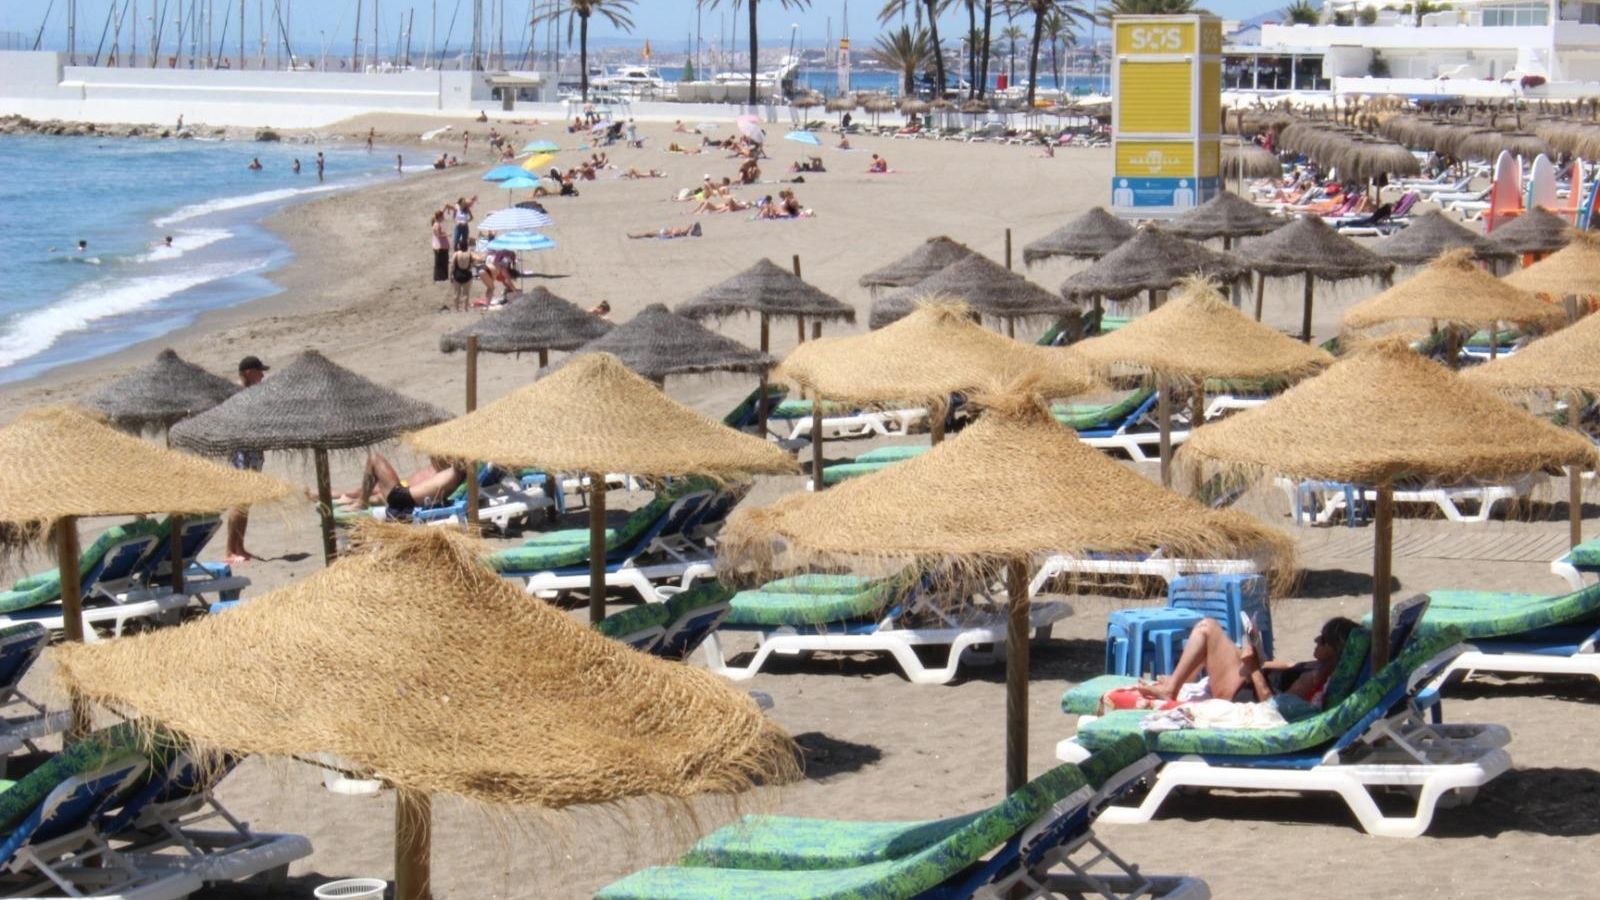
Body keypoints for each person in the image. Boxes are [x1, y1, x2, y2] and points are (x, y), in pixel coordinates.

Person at [1124, 617, 1360, 708]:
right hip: (1249, 680)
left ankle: (1170, 688)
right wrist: (1258, 657)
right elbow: (1288, 666)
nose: (1316, 640)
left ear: (1336, 648)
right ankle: (1178, 681)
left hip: (1243, 693)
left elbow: (1274, 708)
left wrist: (1255, 671)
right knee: (1224, 645)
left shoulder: (1314, 678)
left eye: (1324, 639)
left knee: (1207, 629)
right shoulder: (1320, 668)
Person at [224, 356, 269, 563]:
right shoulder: (235, 393)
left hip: (254, 450)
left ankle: (240, 547)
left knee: (247, 501)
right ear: (249, 373)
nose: (262, 376)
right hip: (241, 451)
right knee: (239, 500)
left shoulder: (252, 392)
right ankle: (229, 550)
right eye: (259, 372)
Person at [336, 454, 466, 513]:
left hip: (402, 498)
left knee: (375, 459)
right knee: (374, 494)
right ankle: (356, 500)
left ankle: (361, 503)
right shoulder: (454, 474)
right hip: (406, 497)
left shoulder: (454, 471)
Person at [449, 245, 477, 311]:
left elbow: (452, 265)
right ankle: (465, 309)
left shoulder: (456, 254)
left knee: (456, 293)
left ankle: (456, 309)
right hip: (467, 274)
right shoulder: (469, 253)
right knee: (466, 293)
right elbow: (475, 261)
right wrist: (470, 267)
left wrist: (450, 275)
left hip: (457, 274)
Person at [430, 210, 450, 282]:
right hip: (440, 246)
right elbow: (439, 235)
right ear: (440, 216)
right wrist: (446, 235)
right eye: (442, 216)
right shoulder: (437, 224)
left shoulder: (436, 224)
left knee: (439, 263)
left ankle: (439, 277)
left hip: (438, 246)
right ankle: (441, 277)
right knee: (442, 263)